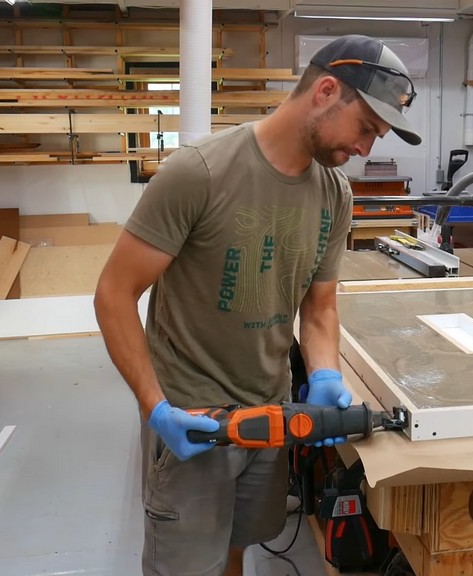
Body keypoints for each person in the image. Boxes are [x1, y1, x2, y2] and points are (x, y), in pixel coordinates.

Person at [94, 34, 422, 576]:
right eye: (366, 127)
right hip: (192, 416)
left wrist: (324, 378)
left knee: (234, 550)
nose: (367, 148)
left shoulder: (334, 195)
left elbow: (318, 310)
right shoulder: (199, 173)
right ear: (325, 90)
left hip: (268, 416)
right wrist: (156, 408)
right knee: (184, 566)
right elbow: (113, 294)